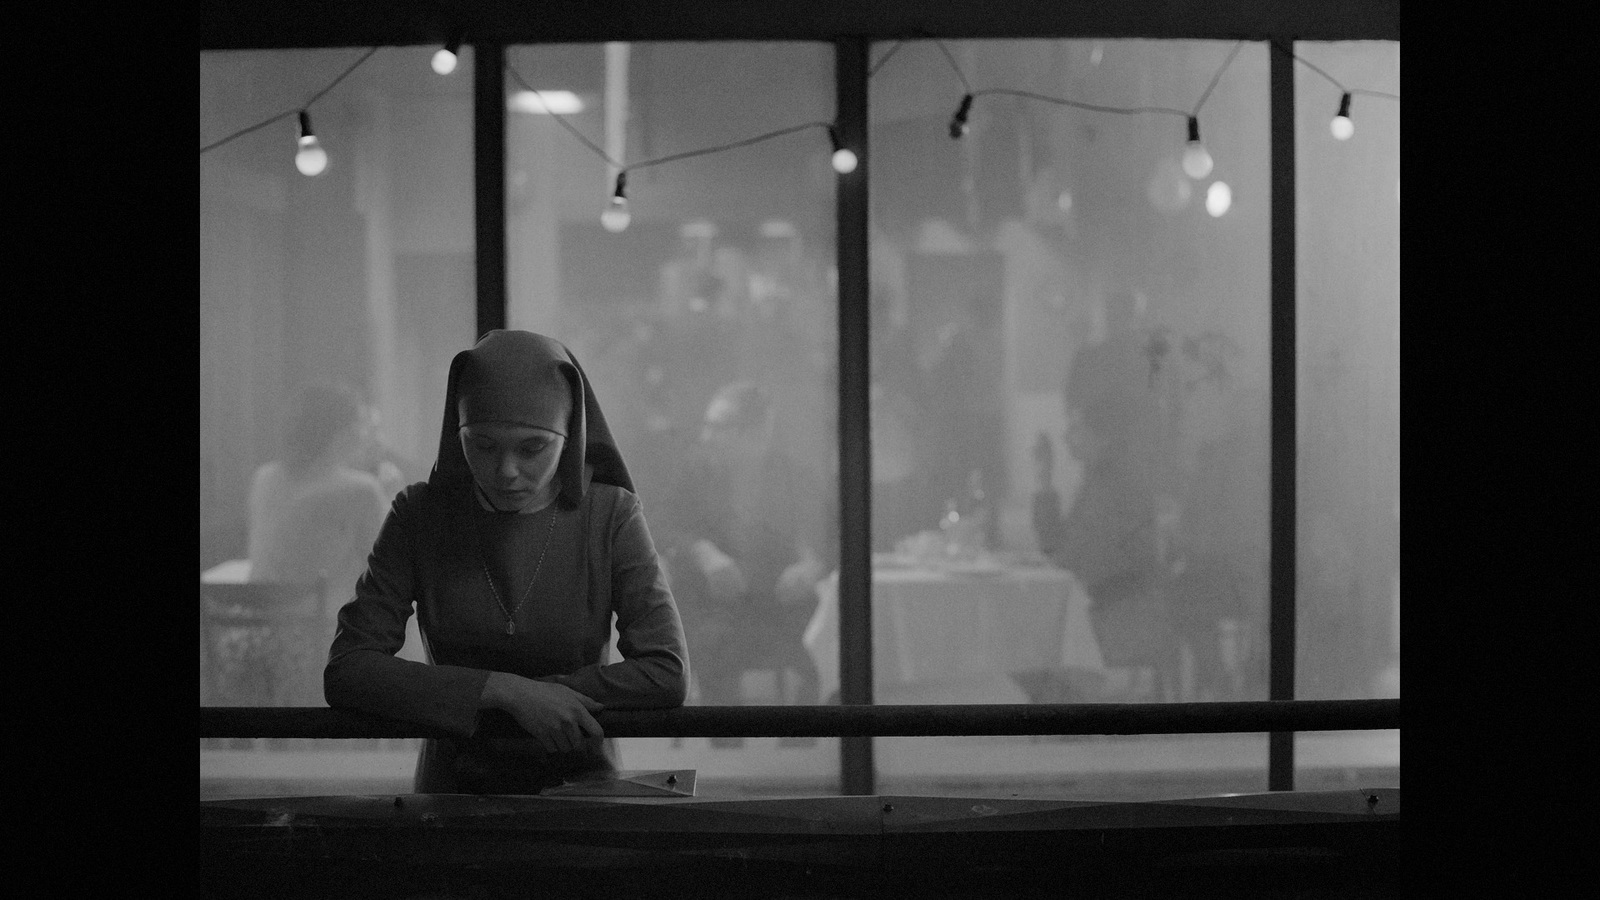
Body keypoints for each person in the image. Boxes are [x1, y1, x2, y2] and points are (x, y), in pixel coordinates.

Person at [323, 330, 689, 794]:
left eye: (533, 447)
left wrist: (527, 698)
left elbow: (666, 670)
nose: (507, 471)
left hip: (580, 790)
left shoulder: (610, 515)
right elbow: (349, 668)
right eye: (483, 445)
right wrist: (508, 692)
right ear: (458, 436)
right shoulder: (418, 516)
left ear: (569, 433)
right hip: (453, 795)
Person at [655, 381, 833, 712]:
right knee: (714, 643)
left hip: (779, 606)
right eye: (706, 425)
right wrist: (703, 553)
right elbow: (662, 526)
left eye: (719, 427)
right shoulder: (696, 472)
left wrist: (812, 568)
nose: (706, 437)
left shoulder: (793, 477)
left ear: (758, 432)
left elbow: (828, 538)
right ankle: (725, 747)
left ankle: (805, 751)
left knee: (828, 646)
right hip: (713, 604)